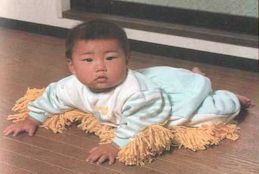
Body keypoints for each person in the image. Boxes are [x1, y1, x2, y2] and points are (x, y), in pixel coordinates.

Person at [3, 19, 251, 165]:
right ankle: (196, 75)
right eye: (88, 60)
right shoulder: (71, 85)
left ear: (126, 59)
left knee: (207, 115)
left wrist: (116, 143)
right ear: (71, 65)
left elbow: (142, 121)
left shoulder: (137, 91)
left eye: (110, 58)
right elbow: (52, 97)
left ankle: (230, 98)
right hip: (160, 83)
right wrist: (32, 117)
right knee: (186, 81)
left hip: (169, 100)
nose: (100, 67)